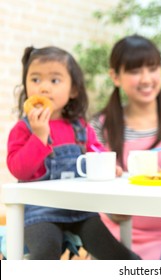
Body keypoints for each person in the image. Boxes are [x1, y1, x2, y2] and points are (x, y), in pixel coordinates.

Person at [7, 46, 140, 260]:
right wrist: (39, 136)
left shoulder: (79, 127)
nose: (43, 88)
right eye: (35, 80)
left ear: (73, 90)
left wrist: (108, 165)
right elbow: (19, 169)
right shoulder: (23, 129)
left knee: (119, 255)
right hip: (40, 212)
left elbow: (96, 150)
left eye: (55, 80)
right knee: (46, 251)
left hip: (81, 208)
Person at [90, 34, 161, 260]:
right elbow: (95, 184)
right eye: (134, 71)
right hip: (117, 233)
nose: (146, 79)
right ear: (115, 76)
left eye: (152, 68)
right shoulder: (100, 125)